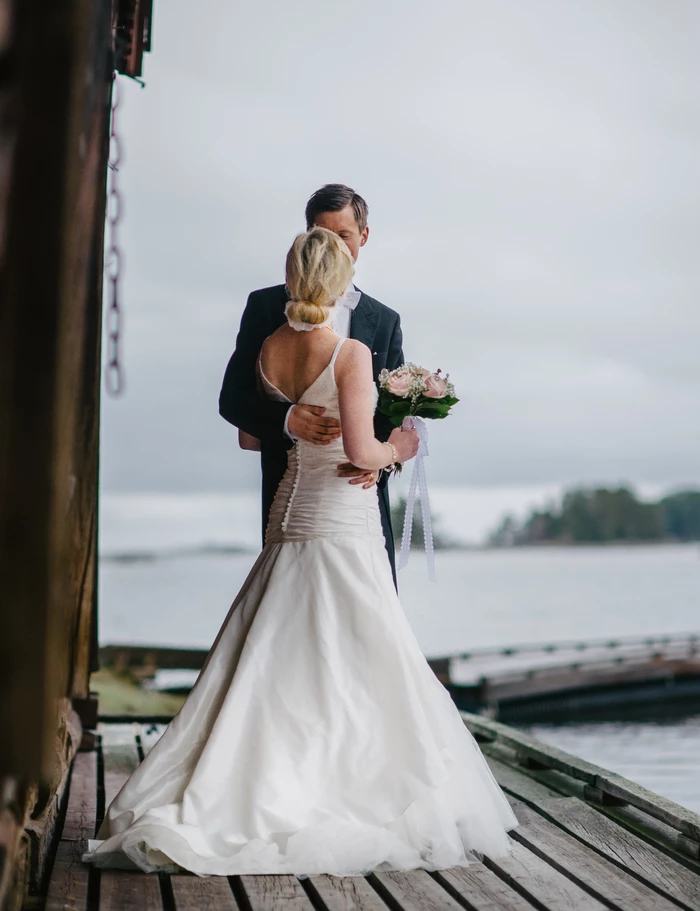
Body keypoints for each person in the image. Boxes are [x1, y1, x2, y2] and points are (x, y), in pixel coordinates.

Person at [83, 227, 517, 876]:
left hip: (291, 515)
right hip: (342, 518)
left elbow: (254, 436)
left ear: (293, 279)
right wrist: (400, 449)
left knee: (276, 655)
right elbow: (363, 452)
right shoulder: (350, 352)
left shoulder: (271, 347)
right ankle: (343, 781)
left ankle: (254, 781)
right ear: (340, 282)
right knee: (363, 653)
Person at [219, 184, 404, 585]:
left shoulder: (384, 321)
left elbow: (392, 411)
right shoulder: (264, 308)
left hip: (357, 504)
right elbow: (232, 399)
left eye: (344, 235)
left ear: (364, 237)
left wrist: (382, 461)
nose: (333, 246)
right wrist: (286, 419)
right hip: (292, 502)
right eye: (323, 234)